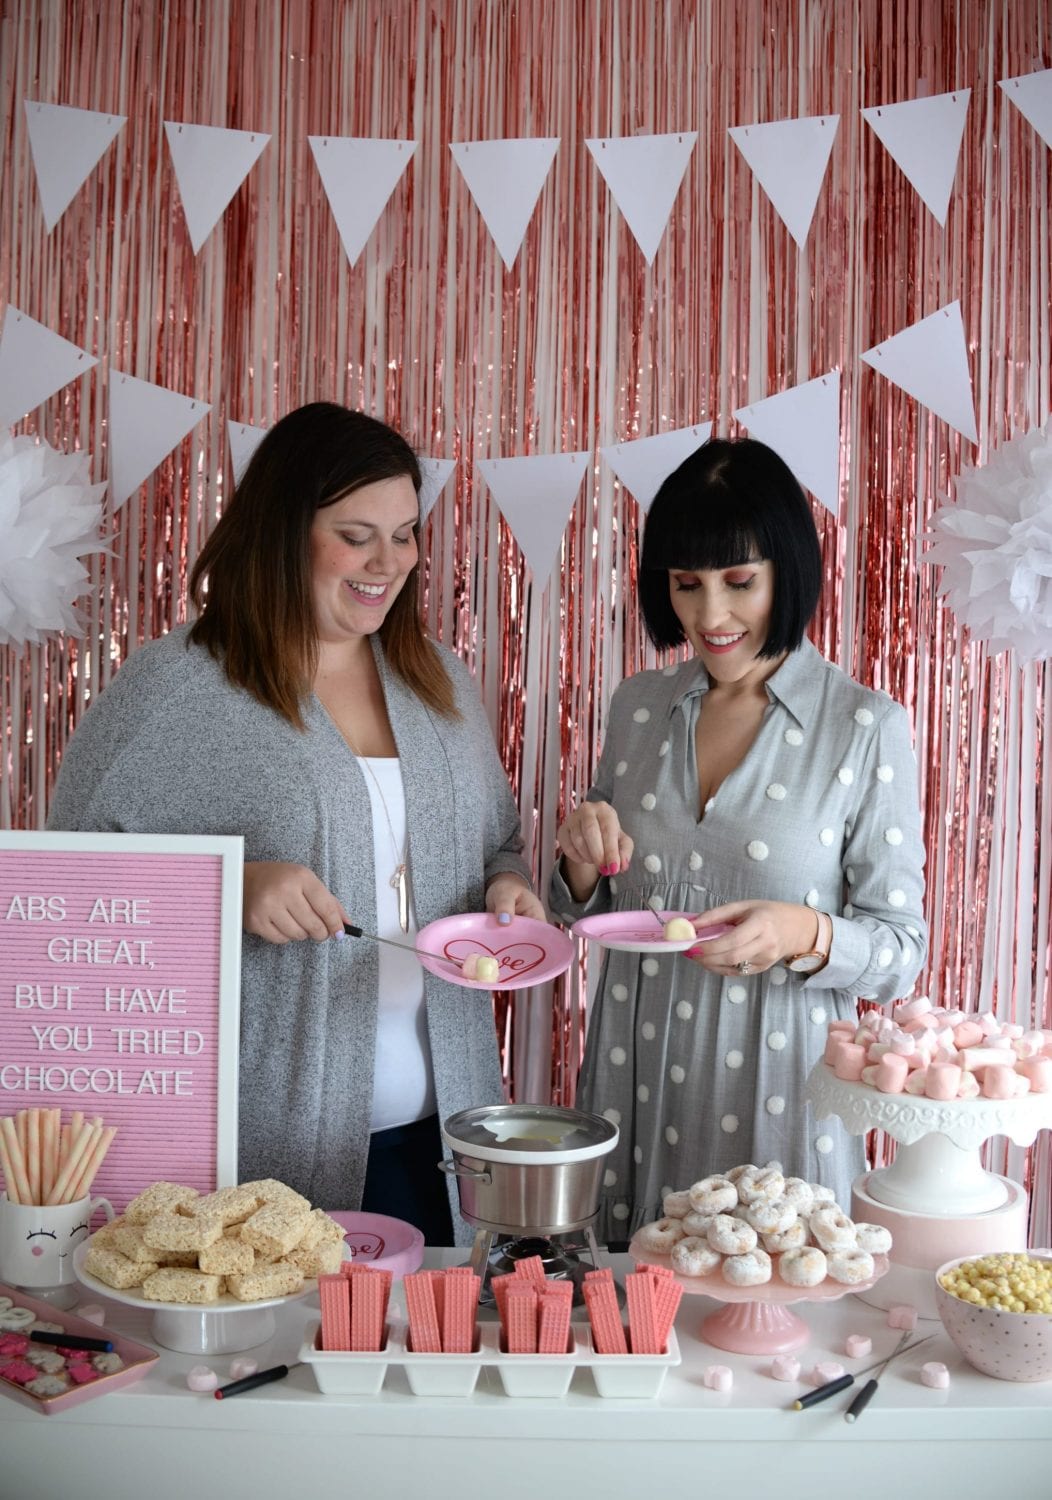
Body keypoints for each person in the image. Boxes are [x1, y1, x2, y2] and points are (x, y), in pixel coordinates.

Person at [47, 402, 544, 1245]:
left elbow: (500, 843)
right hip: (258, 1149)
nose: (388, 562)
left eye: (405, 533)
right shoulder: (178, 689)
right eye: (356, 534)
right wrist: (229, 888)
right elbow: (58, 899)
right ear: (284, 531)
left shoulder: (440, 685)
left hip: (450, 1139)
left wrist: (510, 886)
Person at [552, 437, 928, 1244]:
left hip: (777, 1091)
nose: (710, 615)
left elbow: (902, 949)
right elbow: (588, 904)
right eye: (686, 584)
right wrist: (581, 858)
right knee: (630, 1322)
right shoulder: (639, 707)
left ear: (786, 571)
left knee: (771, 1321)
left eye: (739, 582)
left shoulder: (862, 726)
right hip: (633, 1072)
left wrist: (804, 932)